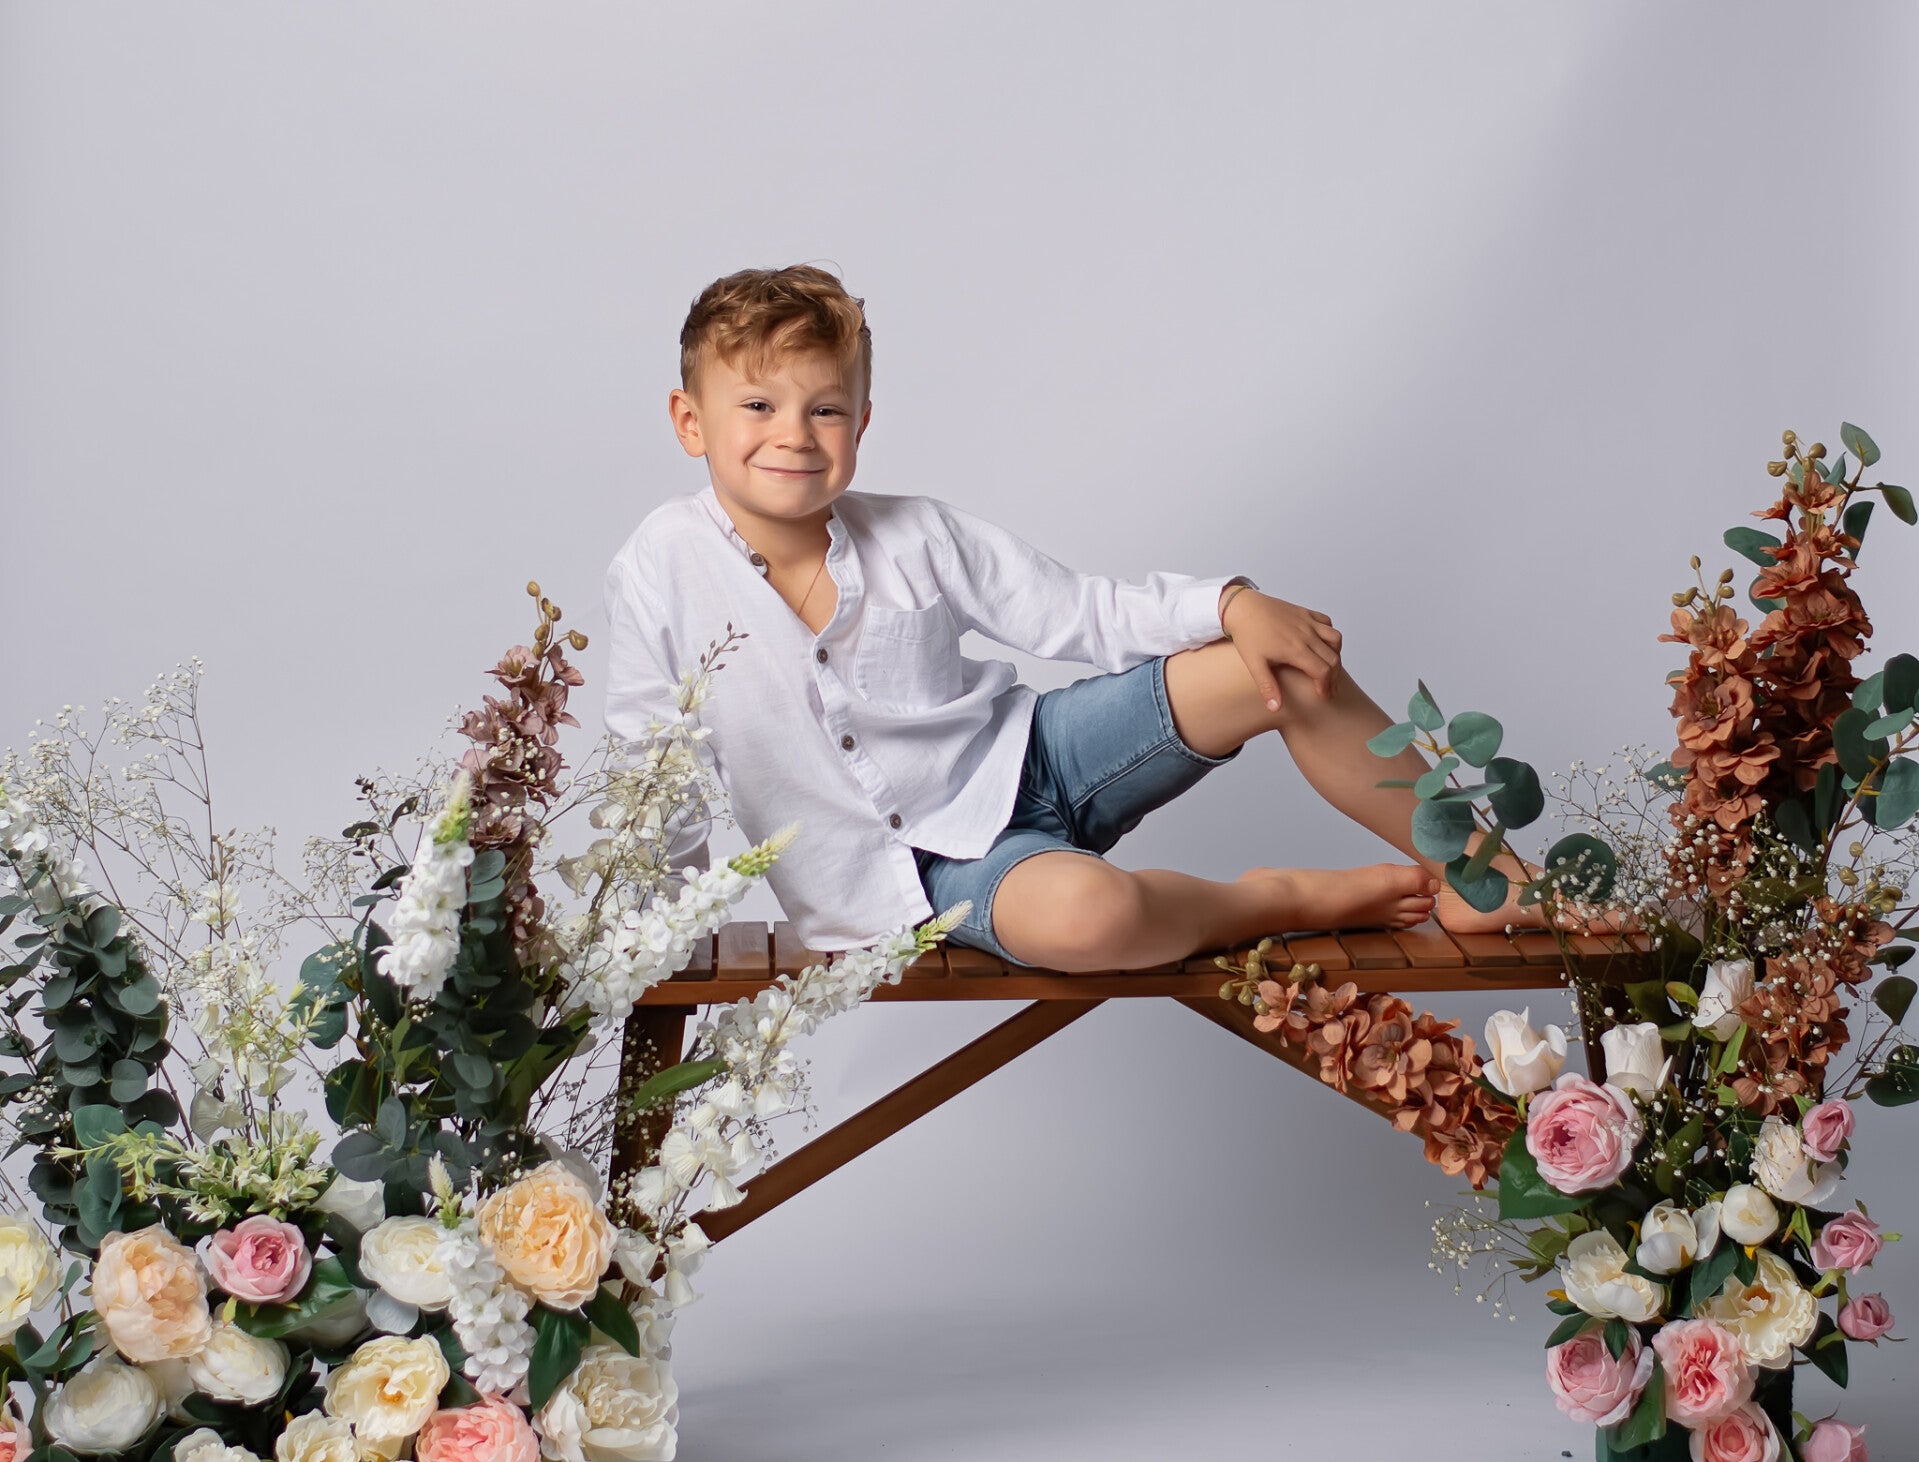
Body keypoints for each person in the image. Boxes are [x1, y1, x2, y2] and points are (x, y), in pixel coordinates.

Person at [603, 264, 1532, 971]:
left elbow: (1076, 611)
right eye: (757, 405)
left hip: (1036, 758)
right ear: (690, 421)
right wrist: (654, 929)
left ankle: (1492, 880)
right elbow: (655, 767)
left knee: (1278, 662)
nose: (794, 435)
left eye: (825, 409)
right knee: (1095, 918)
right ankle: (1270, 898)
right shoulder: (661, 565)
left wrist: (1229, 602)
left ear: (862, 422)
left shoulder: (916, 532)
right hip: (924, 878)